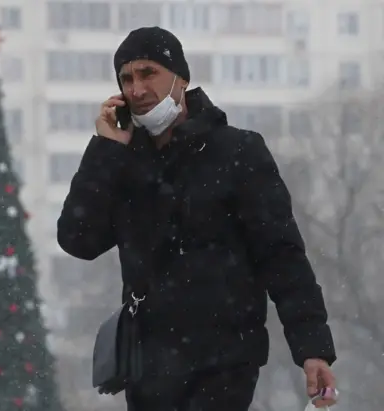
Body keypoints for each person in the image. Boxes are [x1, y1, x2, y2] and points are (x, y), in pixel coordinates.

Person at [57, 27, 338, 411]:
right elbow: (77, 239)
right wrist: (104, 150)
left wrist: (313, 349)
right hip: (148, 368)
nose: (136, 89)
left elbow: (282, 256)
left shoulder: (238, 152)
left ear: (180, 77)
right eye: (126, 78)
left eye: (147, 72)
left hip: (224, 364)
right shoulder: (123, 162)